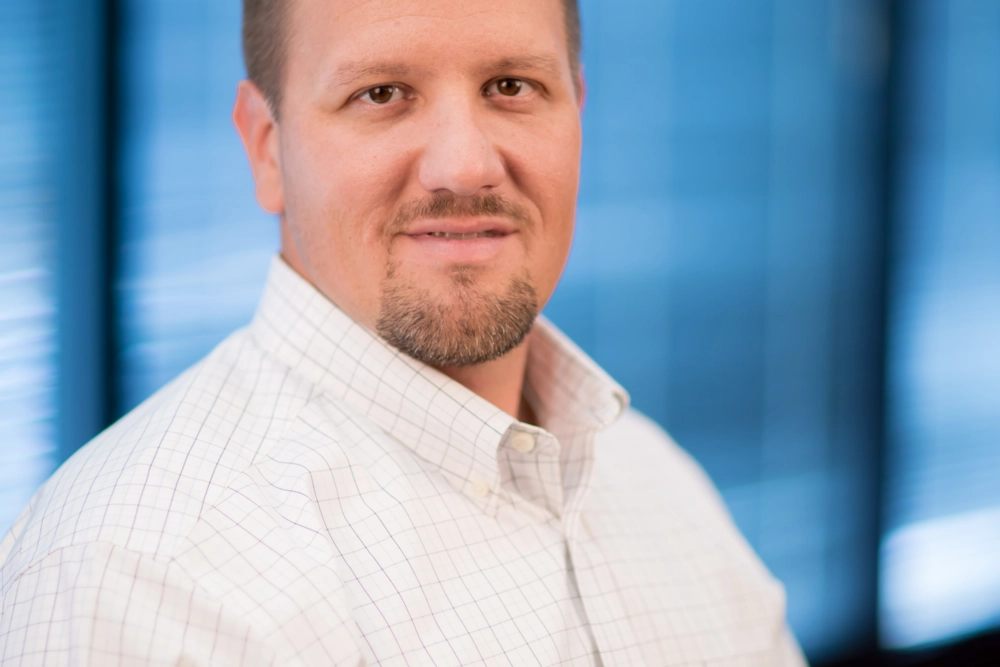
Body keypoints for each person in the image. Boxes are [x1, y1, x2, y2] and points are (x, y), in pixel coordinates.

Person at [0, 0, 806, 664]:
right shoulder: (134, 577)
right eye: (381, 94)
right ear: (267, 148)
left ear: (577, 113)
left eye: (511, 86)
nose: (465, 166)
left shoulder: (663, 488)